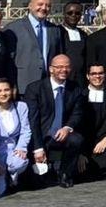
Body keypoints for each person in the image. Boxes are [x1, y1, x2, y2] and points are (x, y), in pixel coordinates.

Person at [23, 55, 85, 188]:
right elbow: (32, 120)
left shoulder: (75, 88)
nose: (64, 70)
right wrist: (38, 147)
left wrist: (67, 127)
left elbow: (77, 113)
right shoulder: (35, 89)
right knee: (36, 182)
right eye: (60, 67)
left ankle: (65, 174)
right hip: (41, 134)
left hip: (62, 134)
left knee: (76, 139)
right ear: (51, 69)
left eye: (67, 67)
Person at [4, 0, 62, 96]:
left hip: (48, 85)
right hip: (23, 85)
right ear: (30, 6)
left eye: (48, 5)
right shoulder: (14, 28)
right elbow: (8, 60)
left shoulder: (54, 30)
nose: (44, 8)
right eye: (40, 4)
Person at [0, 78, 30, 197]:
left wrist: (22, 147)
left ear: (12, 91)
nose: (3, 94)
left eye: (6, 90)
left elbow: (25, 130)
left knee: (20, 163)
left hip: (14, 148)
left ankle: (12, 174)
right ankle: (2, 174)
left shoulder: (21, 106)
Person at [58, 3, 90, 82]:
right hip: (62, 77)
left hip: (80, 80)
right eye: (70, 13)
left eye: (77, 13)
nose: (73, 15)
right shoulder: (57, 32)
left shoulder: (83, 34)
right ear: (64, 14)